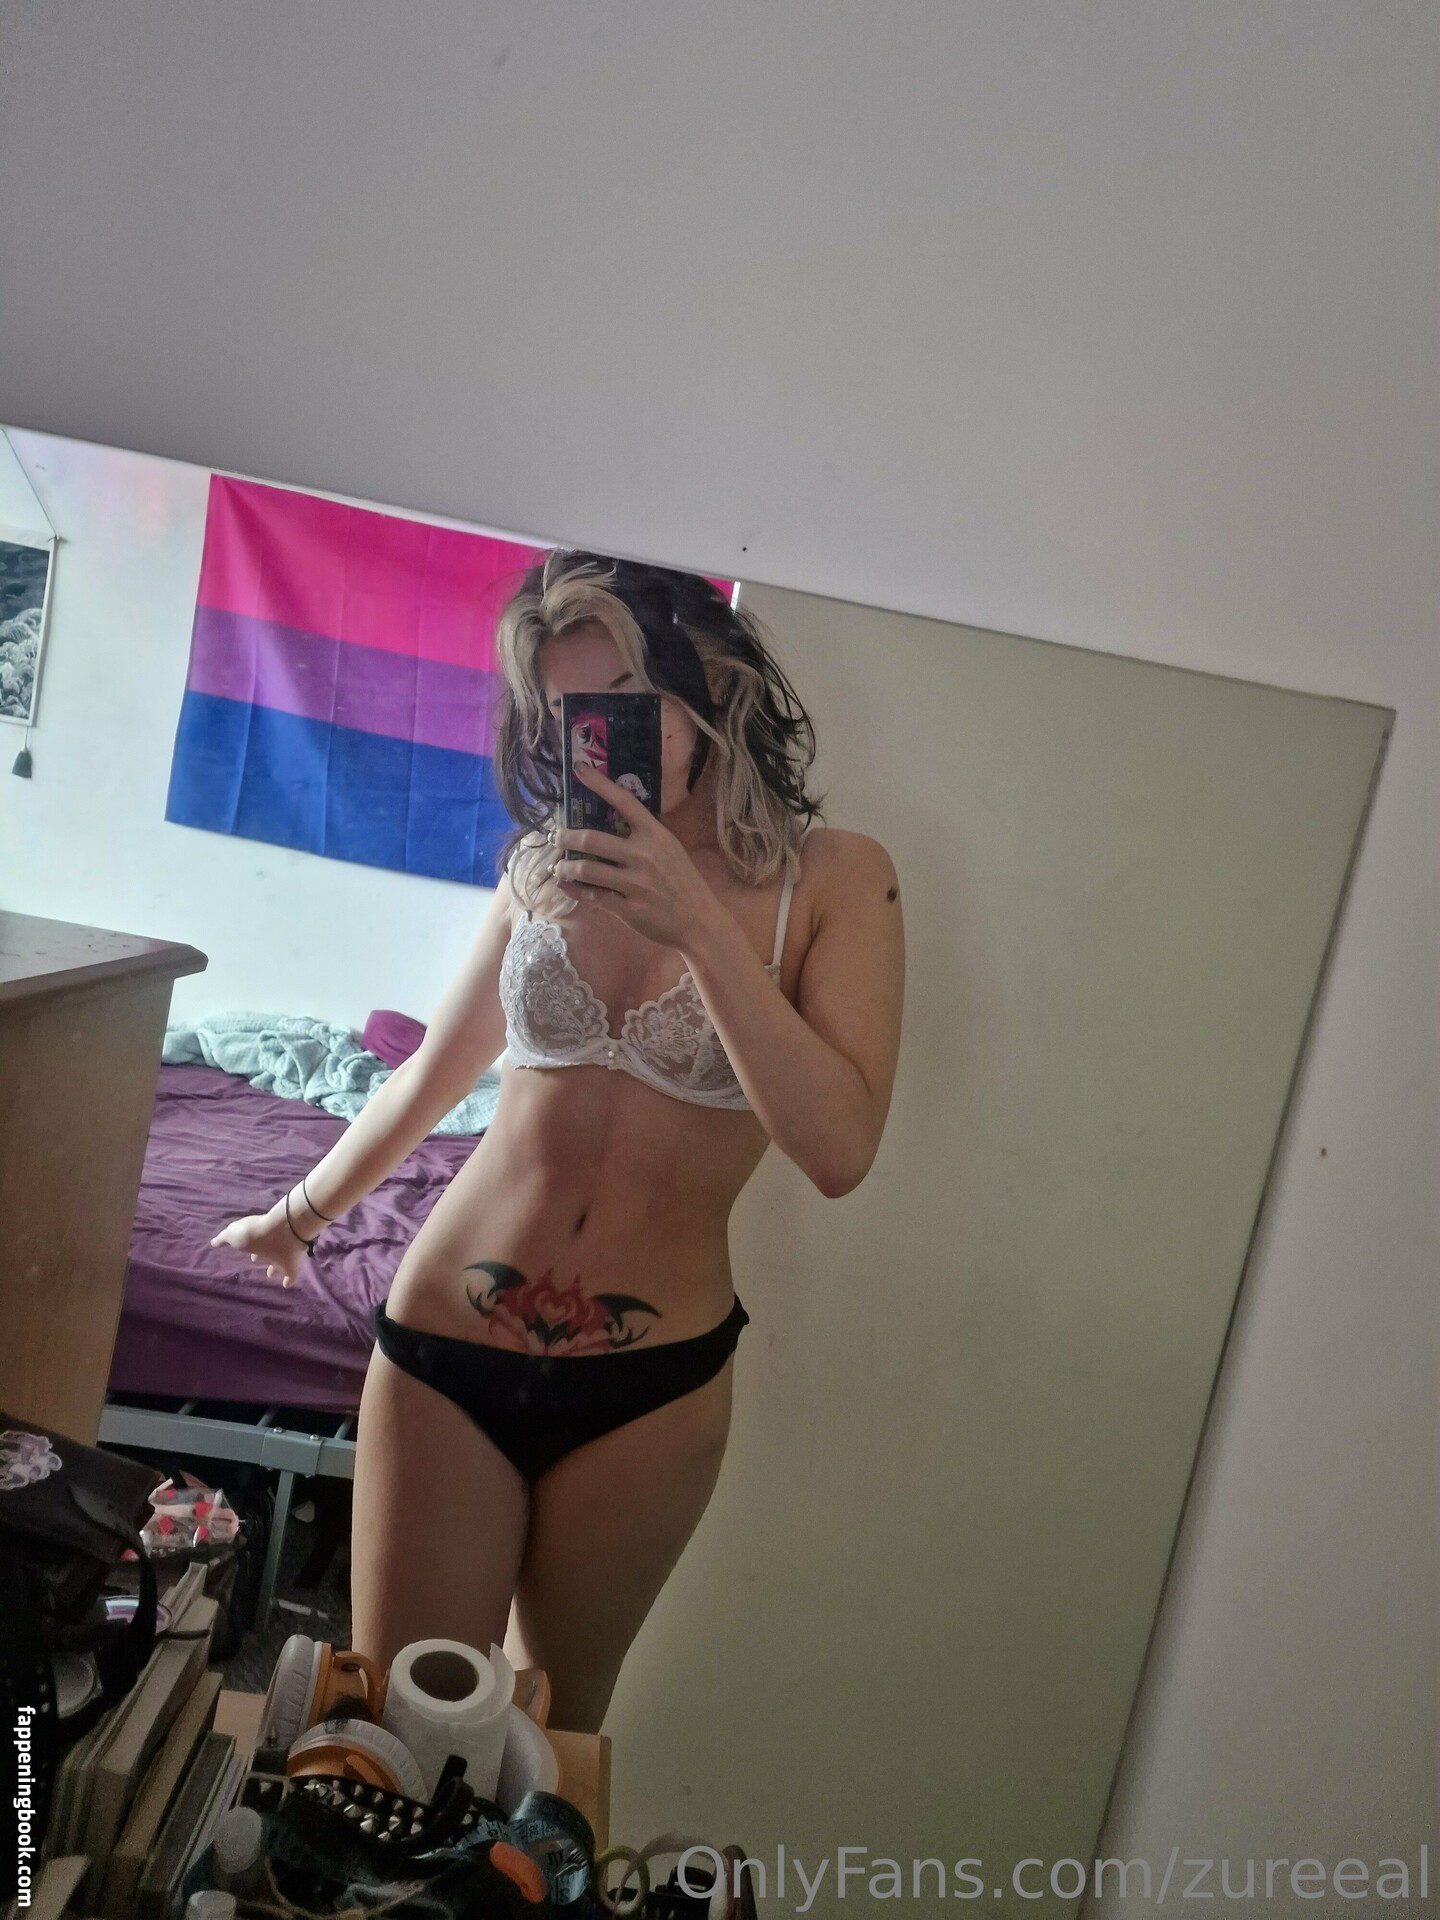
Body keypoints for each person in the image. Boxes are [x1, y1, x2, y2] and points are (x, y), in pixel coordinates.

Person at [211, 551, 905, 1732]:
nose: (599, 737)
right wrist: (296, 1219)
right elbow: (432, 1072)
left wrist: (699, 925)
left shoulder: (836, 881)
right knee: (394, 1728)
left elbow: (839, 1151)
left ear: (713, 677)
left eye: (625, 700)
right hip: (445, 1343)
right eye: (570, 711)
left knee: (550, 1737)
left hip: (651, 1383)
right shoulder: (545, 866)